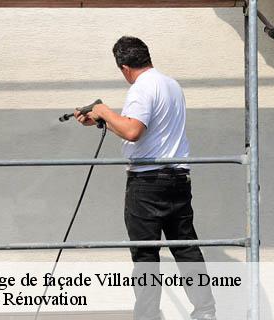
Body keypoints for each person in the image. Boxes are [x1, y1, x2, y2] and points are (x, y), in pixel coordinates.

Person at [75, 36, 216, 320]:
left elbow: (132, 132)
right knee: (185, 248)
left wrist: (102, 111)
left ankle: (148, 317)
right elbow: (142, 132)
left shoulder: (141, 88)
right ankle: (205, 312)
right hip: (177, 179)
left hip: (147, 184)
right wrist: (104, 122)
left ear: (124, 67)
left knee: (145, 257)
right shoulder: (170, 84)